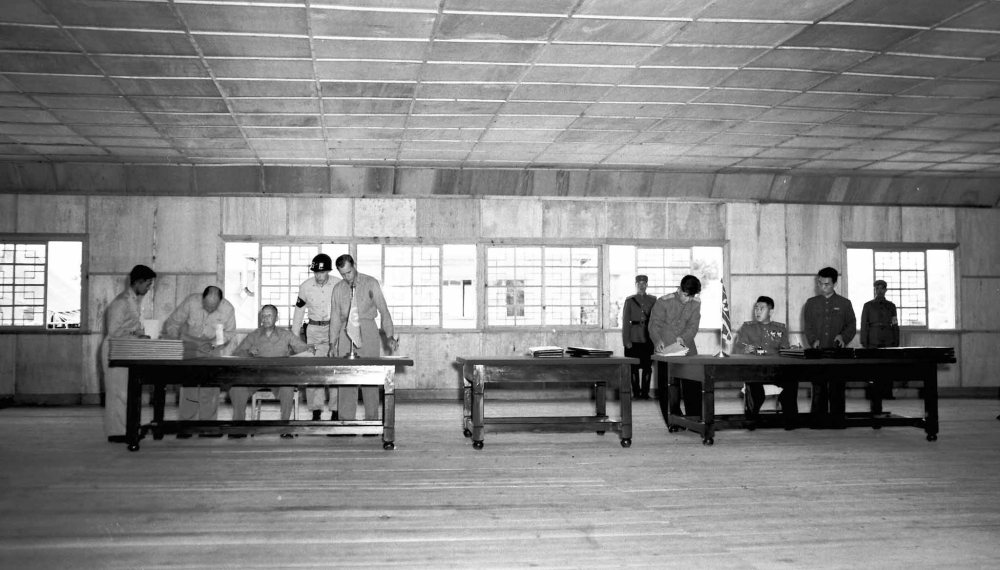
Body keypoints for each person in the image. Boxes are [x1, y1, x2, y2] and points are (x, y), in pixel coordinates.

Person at [328, 254, 398, 421]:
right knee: (346, 377)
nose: (347, 277)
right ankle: (346, 420)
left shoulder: (370, 283)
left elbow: (384, 311)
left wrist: (389, 336)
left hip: (368, 330)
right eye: (343, 274)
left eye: (349, 272)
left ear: (354, 266)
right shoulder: (338, 288)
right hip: (346, 332)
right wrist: (332, 343)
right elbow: (335, 317)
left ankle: (372, 419)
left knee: (370, 376)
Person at [229, 304, 313, 438]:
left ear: (276, 317)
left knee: (288, 388)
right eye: (263, 315)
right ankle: (239, 426)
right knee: (236, 389)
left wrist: (307, 350)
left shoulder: (285, 335)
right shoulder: (254, 335)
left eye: (269, 315)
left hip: (279, 377)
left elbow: (303, 349)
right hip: (256, 377)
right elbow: (237, 353)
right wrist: (248, 352)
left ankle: (284, 426)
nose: (265, 318)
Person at [163, 285, 236, 435]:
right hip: (189, 345)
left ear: (220, 302)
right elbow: (172, 323)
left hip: (212, 346)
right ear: (202, 298)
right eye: (206, 306)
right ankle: (186, 426)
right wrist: (178, 340)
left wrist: (212, 345)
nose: (209, 310)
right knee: (189, 386)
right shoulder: (191, 302)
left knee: (210, 387)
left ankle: (207, 426)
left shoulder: (228, 309)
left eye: (213, 308)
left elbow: (228, 333)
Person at [102, 264, 156, 442]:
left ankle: (128, 429)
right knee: (118, 394)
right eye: (147, 284)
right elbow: (114, 331)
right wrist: (136, 335)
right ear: (138, 282)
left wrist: (141, 334)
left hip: (126, 351)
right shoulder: (121, 302)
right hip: (114, 350)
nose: (148, 289)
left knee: (126, 393)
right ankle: (118, 433)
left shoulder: (133, 301)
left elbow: (131, 327)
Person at [802, 267, 856, 428]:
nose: (822, 287)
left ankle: (837, 421)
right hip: (818, 351)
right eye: (820, 283)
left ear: (835, 283)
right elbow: (808, 326)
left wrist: (843, 337)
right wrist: (813, 341)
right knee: (818, 386)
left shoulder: (845, 303)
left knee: (837, 386)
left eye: (826, 284)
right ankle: (818, 421)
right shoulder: (811, 303)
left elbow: (851, 325)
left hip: (837, 351)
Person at [736, 296, 797, 428]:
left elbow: (785, 350)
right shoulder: (747, 328)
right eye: (756, 308)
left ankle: (790, 420)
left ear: (770, 311)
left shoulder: (780, 329)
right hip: (755, 370)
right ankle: (751, 420)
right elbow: (737, 348)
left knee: (792, 381)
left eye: (762, 308)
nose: (757, 311)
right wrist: (744, 349)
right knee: (753, 386)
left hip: (776, 369)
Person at [292, 253, 340, 421]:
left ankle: (336, 409)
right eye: (316, 273)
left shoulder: (338, 284)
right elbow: (298, 313)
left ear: (328, 271)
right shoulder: (305, 286)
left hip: (333, 329)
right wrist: (294, 339)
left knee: (335, 371)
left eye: (323, 272)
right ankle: (316, 410)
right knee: (314, 370)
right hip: (313, 330)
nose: (319, 276)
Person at [648, 274, 702, 418]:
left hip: (687, 349)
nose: (688, 300)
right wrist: (657, 341)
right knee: (669, 387)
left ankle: (694, 418)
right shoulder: (663, 302)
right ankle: (673, 420)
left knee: (693, 384)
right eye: (685, 295)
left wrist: (684, 338)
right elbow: (654, 325)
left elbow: (693, 325)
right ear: (680, 289)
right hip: (666, 350)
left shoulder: (695, 303)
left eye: (692, 296)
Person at [860, 279, 900, 400]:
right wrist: (864, 341)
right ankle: (872, 393)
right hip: (873, 340)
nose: (880, 290)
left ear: (886, 290)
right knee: (873, 368)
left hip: (888, 340)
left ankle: (887, 393)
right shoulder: (868, 305)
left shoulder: (891, 306)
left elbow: (895, 323)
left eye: (882, 288)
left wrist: (896, 340)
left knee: (888, 368)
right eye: (877, 288)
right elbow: (864, 324)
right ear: (874, 290)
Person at [622, 275, 656, 400]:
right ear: (636, 284)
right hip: (634, 337)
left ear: (647, 285)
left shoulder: (653, 300)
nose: (642, 285)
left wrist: (656, 339)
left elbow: (656, 321)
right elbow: (625, 322)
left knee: (647, 367)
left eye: (644, 283)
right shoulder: (630, 300)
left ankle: (645, 393)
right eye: (639, 283)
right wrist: (626, 341)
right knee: (633, 368)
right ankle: (636, 393)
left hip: (648, 338)